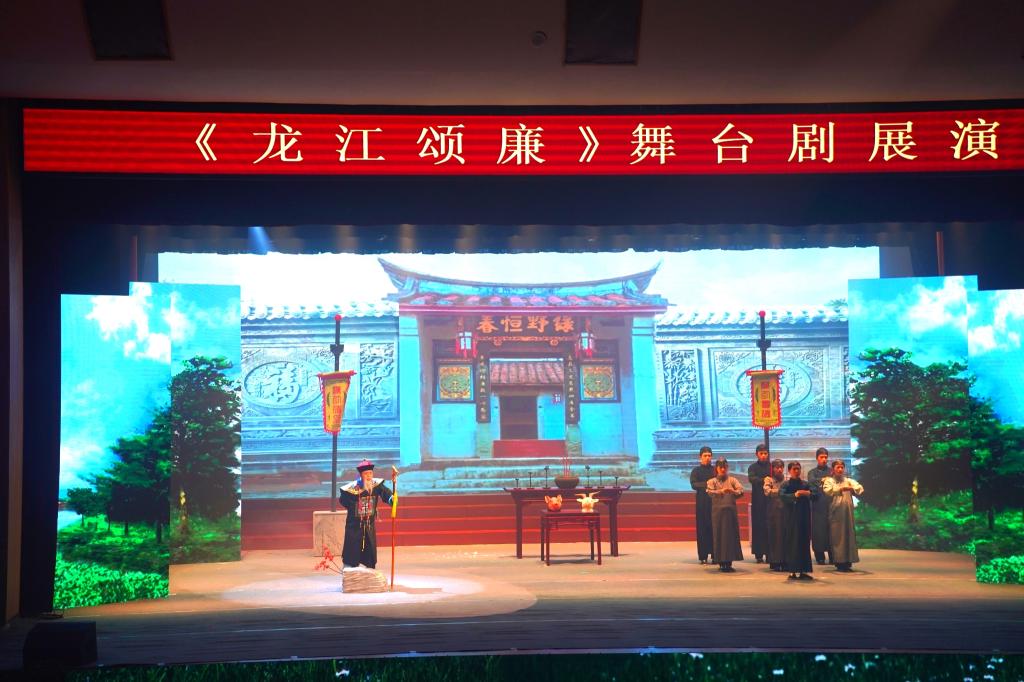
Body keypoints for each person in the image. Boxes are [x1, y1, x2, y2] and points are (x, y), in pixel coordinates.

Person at [338, 459, 394, 569]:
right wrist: (353, 507)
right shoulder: (352, 488)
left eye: (370, 473)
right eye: (366, 474)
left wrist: (392, 498)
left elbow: (386, 493)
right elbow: (343, 500)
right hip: (354, 525)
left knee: (370, 549)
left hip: (369, 524)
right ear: (361, 475)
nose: (369, 476)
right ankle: (350, 569)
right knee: (352, 548)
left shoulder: (376, 485)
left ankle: (370, 570)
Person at [823, 459, 864, 572]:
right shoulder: (829, 481)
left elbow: (860, 488)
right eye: (838, 467)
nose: (840, 469)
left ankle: (848, 561)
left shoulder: (848, 480)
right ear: (833, 469)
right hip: (836, 512)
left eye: (842, 467)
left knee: (849, 535)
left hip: (848, 513)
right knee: (838, 536)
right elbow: (827, 491)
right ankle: (840, 562)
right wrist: (840, 489)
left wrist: (852, 489)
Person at [706, 458, 744, 572]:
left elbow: (741, 490)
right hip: (718, 513)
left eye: (725, 467)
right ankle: (721, 562)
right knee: (719, 536)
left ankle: (729, 562)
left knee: (731, 537)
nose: (723, 469)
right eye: (720, 467)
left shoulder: (732, 480)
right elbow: (709, 492)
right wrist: (721, 491)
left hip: (731, 513)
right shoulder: (712, 481)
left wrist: (733, 491)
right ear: (716, 468)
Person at [779, 461, 815, 581]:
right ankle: (792, 571)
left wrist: (807, 493)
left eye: (798, 469)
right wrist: (795, 495)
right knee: (792, 542)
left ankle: (803, 571)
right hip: (791, 517)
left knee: (804, 542)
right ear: (789, 471)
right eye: (794, 469)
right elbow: (782, 496)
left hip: (804, 517)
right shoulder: (785, 484)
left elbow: (815, 494)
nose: (796, 471)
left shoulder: (805, 484)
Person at [689, 446, 716, 564]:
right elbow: (694, 484)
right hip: (701, 503)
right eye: (705, 456)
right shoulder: (696, 471)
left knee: (714, 529)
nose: (707, 458)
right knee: (702, 529)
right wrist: (708, 484)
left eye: (709, 456)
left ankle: (715, 555)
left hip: (714, 503)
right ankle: (703, 556)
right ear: (700, 457)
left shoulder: (715, 470)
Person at [806, 446, 833, 565]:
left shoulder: (832, 471)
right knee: (818, 530)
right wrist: (825, 480)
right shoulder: (812, 472)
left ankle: (833, 555)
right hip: (817, 503)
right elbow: (811, 482)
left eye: (826, 457)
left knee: (831, 530)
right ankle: (819, 556)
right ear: (817, 458)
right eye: (821, 457)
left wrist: (824, 480)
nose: (824, 459)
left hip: (830, 504)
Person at [747, 444, 771, 563]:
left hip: (770, 500)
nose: (763, 456)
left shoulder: (771, 467)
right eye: (761, 454)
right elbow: (752, 479)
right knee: (758, 526)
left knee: (769, 526)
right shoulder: (752, 467)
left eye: (765, 453)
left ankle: (770, 553)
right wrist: (764, 480)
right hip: (758, 500)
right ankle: (759, 554)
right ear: (757, 454)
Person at [762, 458, 786, 572]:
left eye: (781, 467)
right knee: (774, 536)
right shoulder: (768, 479)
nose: (779, 469)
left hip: (785, 512)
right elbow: (767, 491)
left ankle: (785, 561)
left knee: (784, 536)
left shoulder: (787, 479)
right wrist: (781, 492)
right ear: (773, 469)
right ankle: (775, 561)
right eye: (777, 467)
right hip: (773, 512)